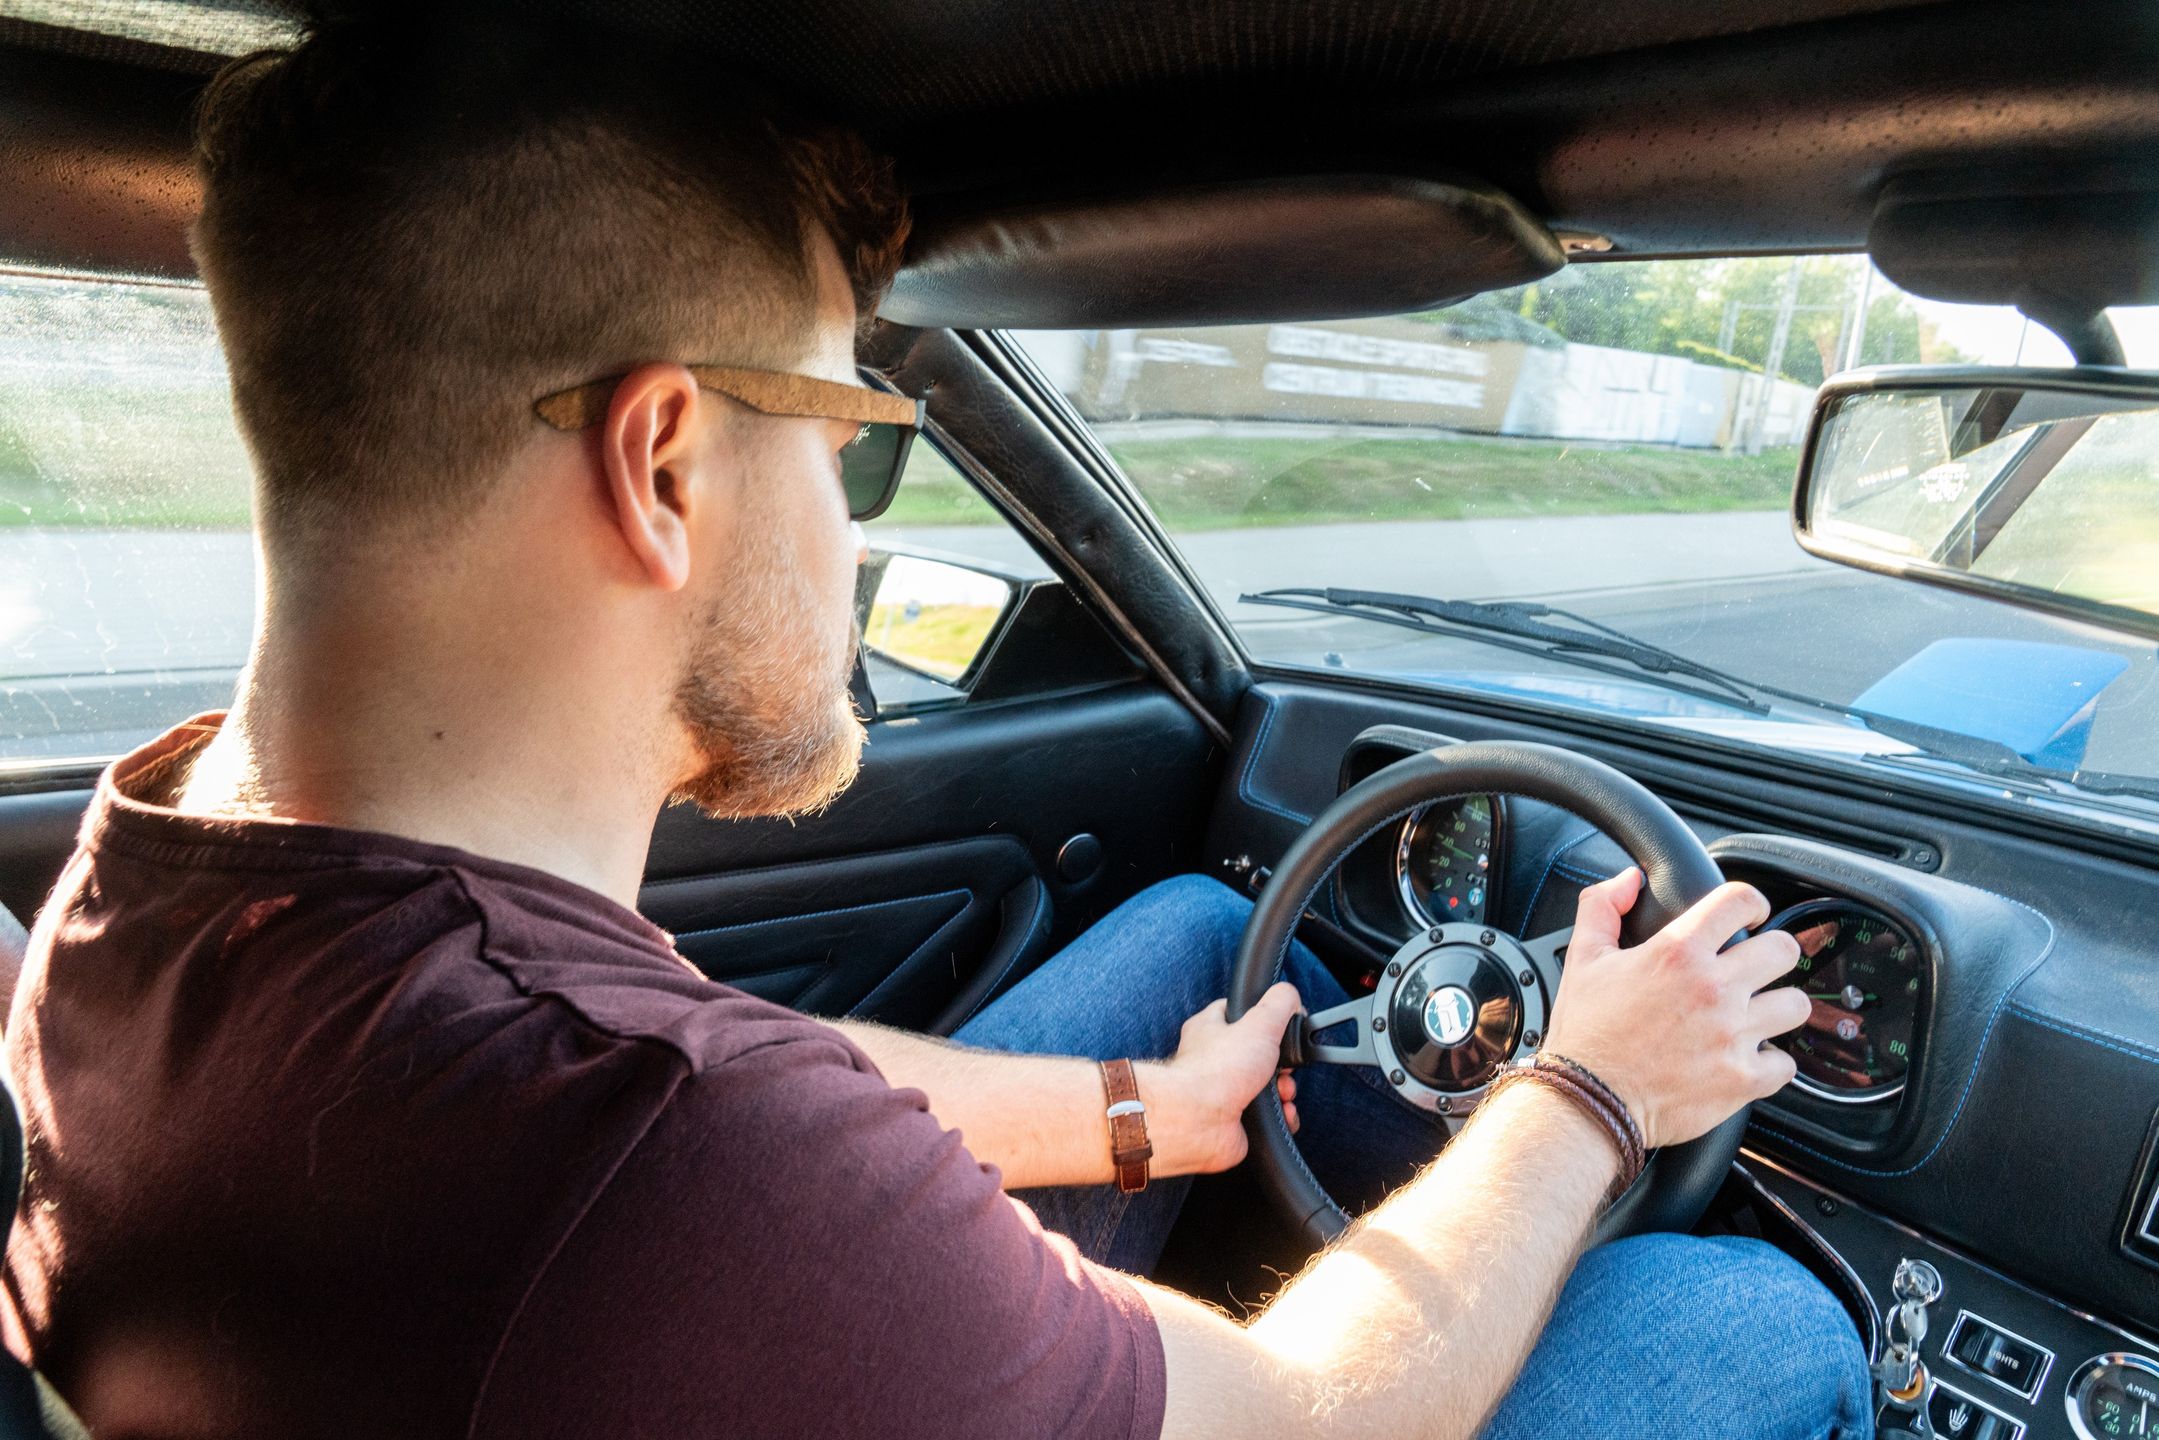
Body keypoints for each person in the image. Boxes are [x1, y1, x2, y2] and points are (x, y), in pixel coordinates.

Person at [1, 18, 1871, 1440]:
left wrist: (1139, 1118)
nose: (856, 514)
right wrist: (1594, 1089)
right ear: (664, 465)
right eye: (847, 439)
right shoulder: (672, 1166)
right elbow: (1323, 1421)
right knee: (1766, 1329)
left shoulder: (151, 872)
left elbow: (738, 1052)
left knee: (1207, 944)